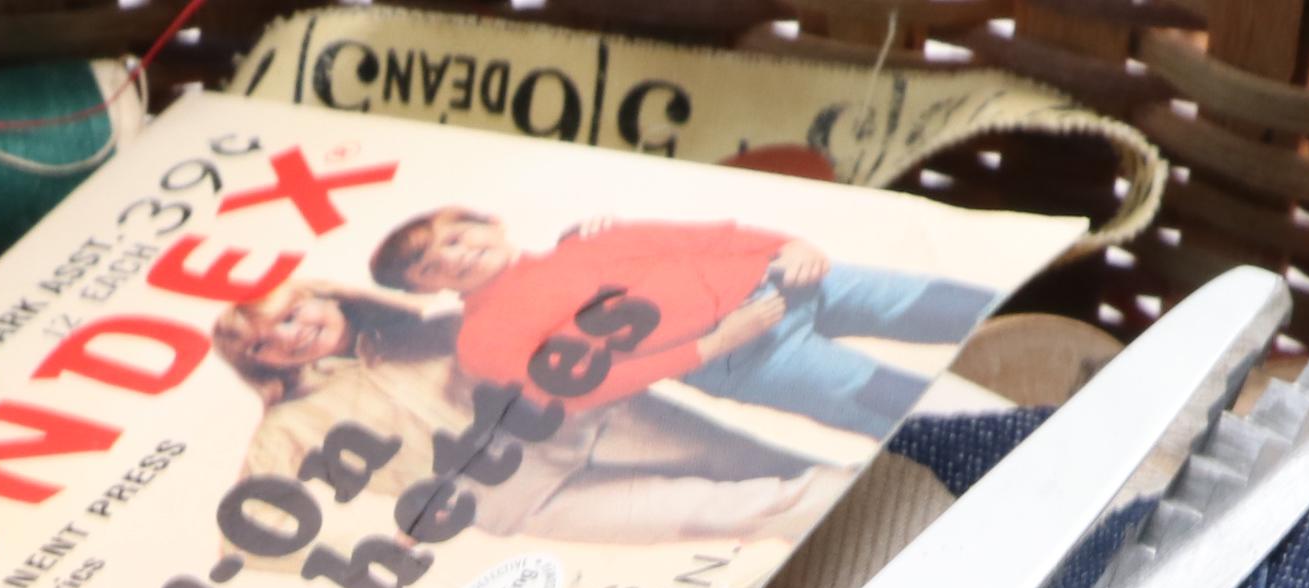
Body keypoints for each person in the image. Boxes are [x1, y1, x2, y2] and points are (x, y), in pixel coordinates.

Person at [215, 278, 840, 549]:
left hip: (592, 421)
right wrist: (379, 538)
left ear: (323, 296)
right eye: (264, 344)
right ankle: (872, 521)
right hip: (522, 498)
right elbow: (245, 530)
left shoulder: (434, 328)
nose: (289, 338)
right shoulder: (287, 425)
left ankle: (885, 490)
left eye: (291, 315)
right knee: (721, 513)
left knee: (756, 461)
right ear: (258, 365)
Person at [368, 206, 992, 442]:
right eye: (429, 261)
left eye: (457, 234)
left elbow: (696, 235)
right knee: (897, 405)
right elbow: (576, 386)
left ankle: (1072, 365)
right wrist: (706, 347)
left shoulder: (585, 237)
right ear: (427, 286)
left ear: (493, 224)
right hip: (740, 354)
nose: (453, 253)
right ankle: (1023, 445)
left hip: (781, 277)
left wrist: (788, 239)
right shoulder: (482, 338)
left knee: (956, 306)